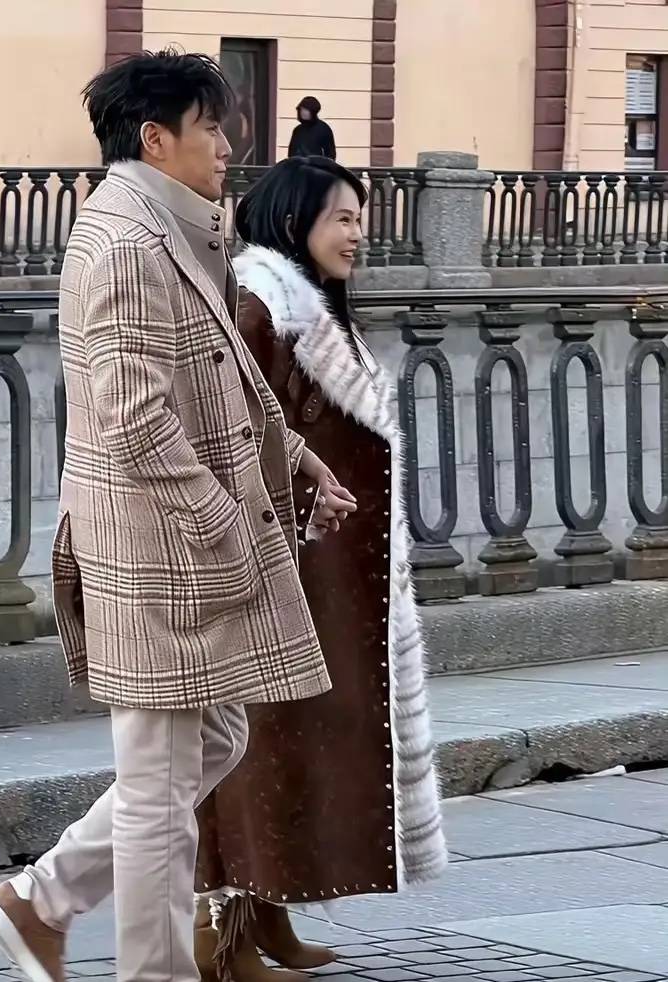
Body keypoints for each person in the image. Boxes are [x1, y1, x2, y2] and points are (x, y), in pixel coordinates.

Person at [0, 55, 355, 982]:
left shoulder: (171, 229)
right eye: (210, 127)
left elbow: (224, 371)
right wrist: (222, 524)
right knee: (157, 787)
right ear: (155, 139)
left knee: (210, 742)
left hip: (177, 542)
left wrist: (295, 458)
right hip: (157, 546)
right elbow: (134, 417)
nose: (226, 148)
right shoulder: (125, 245)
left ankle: (39, 901)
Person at [194, 156, 448, 981]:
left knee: (294, 745)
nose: (357, 233)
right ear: (292, 219)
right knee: (253, 746)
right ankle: (220, 935)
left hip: (325, 572)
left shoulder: (305, 310)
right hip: (276, 567)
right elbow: (227, 432)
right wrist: (296, 506)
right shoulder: (259, 306)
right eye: (342, 216)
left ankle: (269, 911)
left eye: (358, 217)